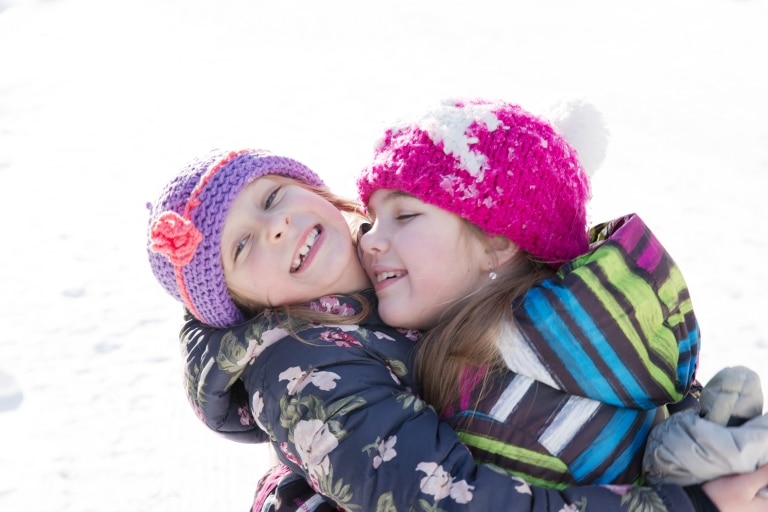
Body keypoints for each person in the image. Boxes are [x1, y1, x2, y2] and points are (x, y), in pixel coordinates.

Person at [147, 147, 768, 511]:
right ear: (242, 304)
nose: (275, 228)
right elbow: (449, 501)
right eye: (242, 248)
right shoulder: (301, 372)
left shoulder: (385, 279)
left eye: (273, 196)